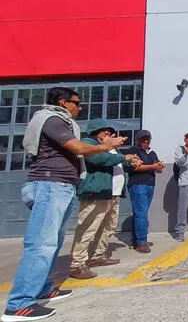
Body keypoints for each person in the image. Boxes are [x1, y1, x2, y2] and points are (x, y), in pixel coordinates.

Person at [2, 87, 125, 322]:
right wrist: (105, 146)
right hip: (50, 185)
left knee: (54, 242)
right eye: (76, 103)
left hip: (61, 186)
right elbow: (78, 148)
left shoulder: (60, 121)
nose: (80, 107)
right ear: (62, 102)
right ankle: (19, 304)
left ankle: (42, 290)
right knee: (41, 244)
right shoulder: (51, 119)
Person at [69, 119, 142, 279]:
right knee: (88, 228)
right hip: (96, 192)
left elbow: (121, 165)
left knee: (108, 228)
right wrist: (123, 157)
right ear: (95, 132)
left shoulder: (112, 150)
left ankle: (98, 256)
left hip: (112, 194)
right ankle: (77, 264)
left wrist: (132, 162)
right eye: (104, 132)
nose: (108, 135)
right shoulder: (89, 144)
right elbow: (100, 159)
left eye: (110, 132)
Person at [125, 130, 165, 253]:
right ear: (137, 139)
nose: (146, 141)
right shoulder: (133, 151)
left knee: (140, 214)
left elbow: (157, 170)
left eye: (148, 139)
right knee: (141, 214)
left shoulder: (152, 153)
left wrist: (159, 167)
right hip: (138, 185)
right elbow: (135, 167)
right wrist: (153, 167)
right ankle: (141, 242)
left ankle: (136, 240)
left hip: (149, 185)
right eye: (143, 139)